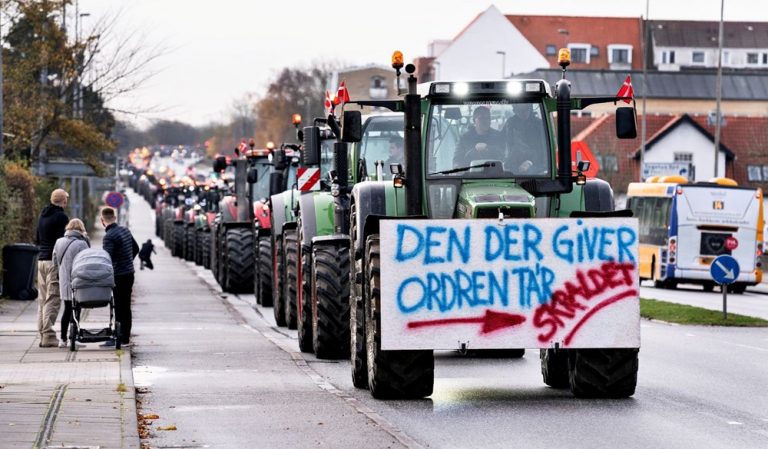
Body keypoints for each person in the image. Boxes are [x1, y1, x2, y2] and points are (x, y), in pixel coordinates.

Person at [35, 189, 69, 347]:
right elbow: (64, 241)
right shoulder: (61, 217)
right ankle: (48, 335)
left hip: (41, 260)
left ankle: (42, 334)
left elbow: (37, 238)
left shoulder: (42, 215)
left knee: (42, 299)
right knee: (53, 298)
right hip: (53, 262)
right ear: (64, 201)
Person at [101, 207, 139, 347]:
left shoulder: (109, 236)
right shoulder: (125, 230)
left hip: (118, 275)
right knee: (126, 306)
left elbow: (107, 259)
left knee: (119, 306)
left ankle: (119, 337)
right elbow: (136, 248)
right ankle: (125, 336)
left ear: (102, 221)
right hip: (129, 273)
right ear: (115, 218)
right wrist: (127, 261)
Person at [52, 219, 91, 348]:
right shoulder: (82, 243)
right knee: (76, 309)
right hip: (78, 279)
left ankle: (62, 340)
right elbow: (87, 260)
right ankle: (74, 338)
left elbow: (54, 262)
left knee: (67, 309)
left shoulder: (58, 242)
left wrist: (59, 274)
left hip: (64, 280)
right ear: (81, 229)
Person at [504, 103, 549, 174]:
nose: (523, 112)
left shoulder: (539, 124)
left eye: (526, 109)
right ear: (514, 110)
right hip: (514, 163)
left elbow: (544, 150)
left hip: (535, 165)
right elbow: (502, 141)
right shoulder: (510, 123)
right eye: (520, 110)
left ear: (530, 108)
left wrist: (530, 162)